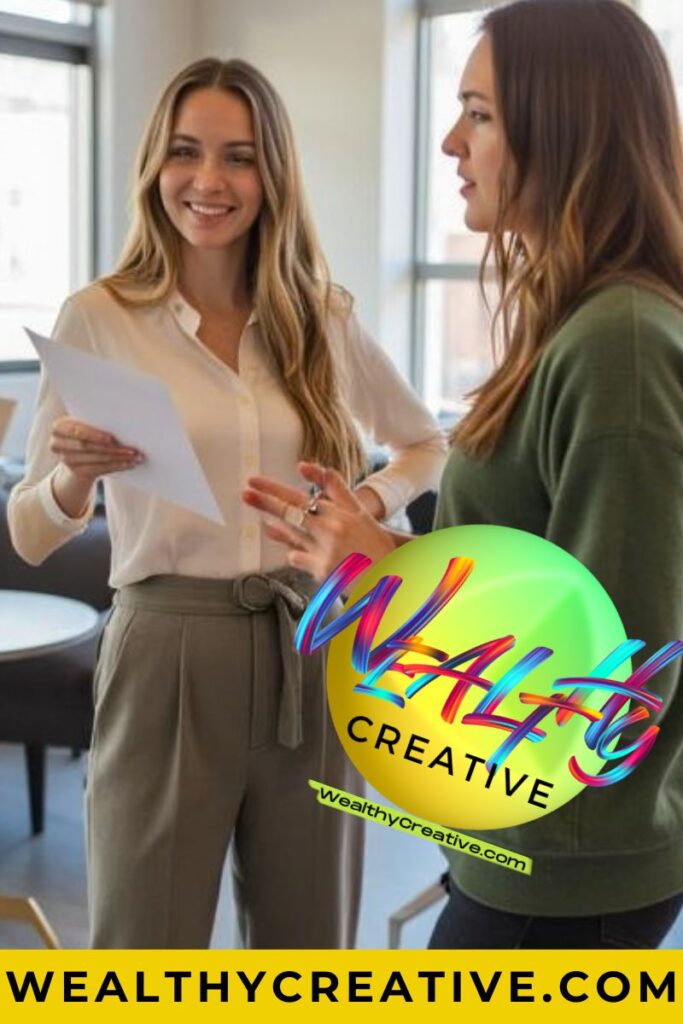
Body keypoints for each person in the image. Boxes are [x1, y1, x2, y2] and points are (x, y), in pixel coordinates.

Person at [242, 0, 683, 949]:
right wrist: (384, 549)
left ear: (565, 126)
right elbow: (542, 580)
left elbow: (609, 675)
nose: (450, 142)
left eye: (478, 114)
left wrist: (383, 577)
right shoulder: (574, 324)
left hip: (564, 869)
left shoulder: (623, 345)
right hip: (517, 839)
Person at [7, 57, 447, 949]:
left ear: (271, 174)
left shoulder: (320, 312)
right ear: (154, 168)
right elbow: (29, 530)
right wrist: (76, 478)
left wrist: (359, 502)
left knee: (308, 943)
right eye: (186, 152)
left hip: (311, 650)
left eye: (238, 157)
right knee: (144, 946)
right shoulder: (100, 317)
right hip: (164, 653)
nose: (208, 181)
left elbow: (426, 443)